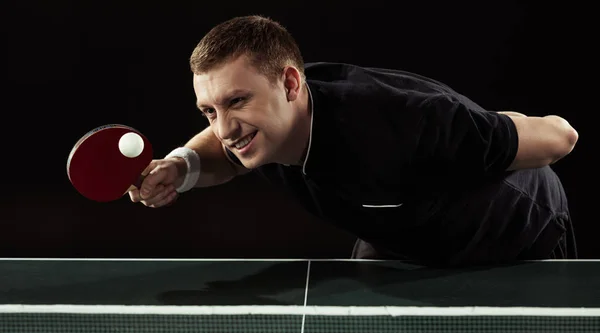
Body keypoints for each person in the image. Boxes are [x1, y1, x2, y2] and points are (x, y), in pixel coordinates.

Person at [129, 15, 579, 267]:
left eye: (237, 101)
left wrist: (484, 128)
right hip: (404, 234)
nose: (226, 128)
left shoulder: (402, 123)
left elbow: (562, 135)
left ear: (289, 83)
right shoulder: (258, 133)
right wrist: (180, 167)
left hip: (512, 231)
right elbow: (222, 152)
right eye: (210, 110)